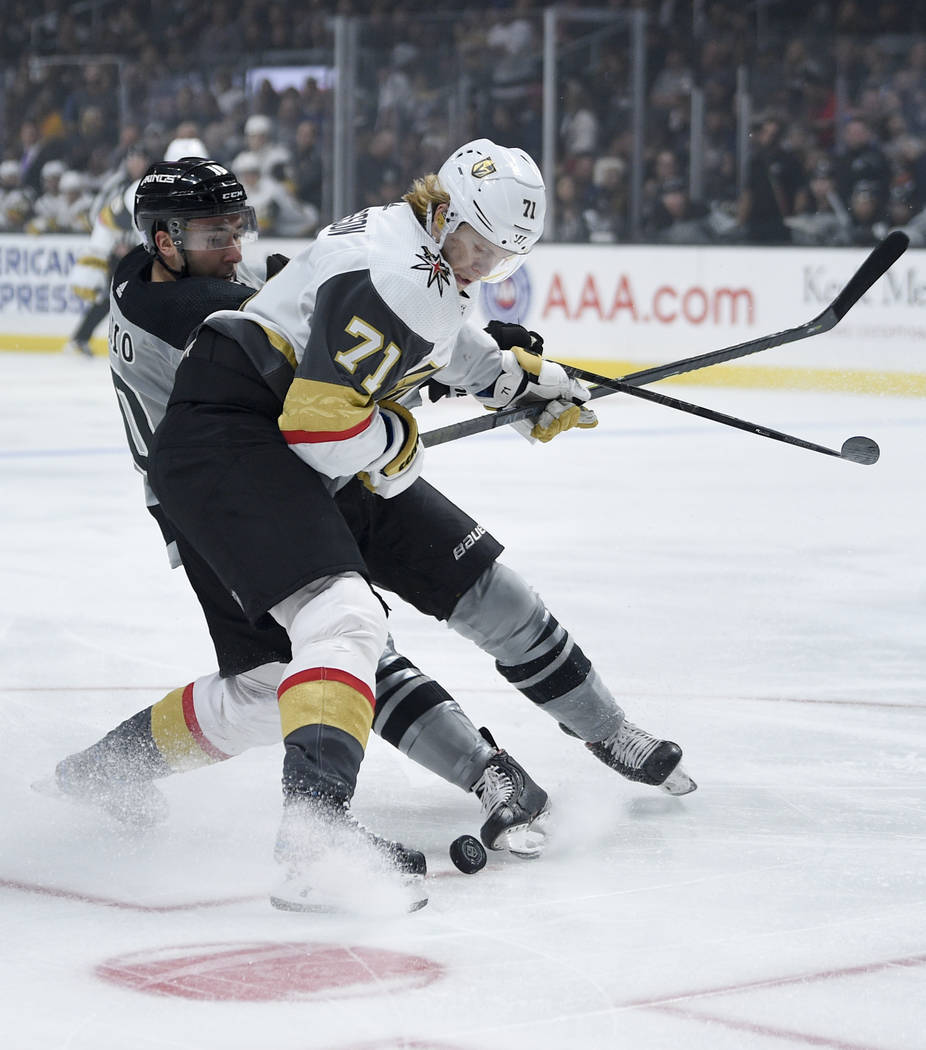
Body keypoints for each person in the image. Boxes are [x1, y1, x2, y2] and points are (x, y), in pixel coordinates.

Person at [139, 140, 695, 911]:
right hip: (245, 437)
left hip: (310, 443)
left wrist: (513, 384)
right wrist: (399, 446)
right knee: (342, 625)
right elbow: (321, 426)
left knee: (487, 590)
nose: (483, 269)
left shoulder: (419, 244)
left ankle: (610, 730)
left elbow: (435, 338)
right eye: (480, 249)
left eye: (504, 261)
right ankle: (313, 841)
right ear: (448, 214)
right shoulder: (396, 271)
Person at [49, 156, 555, 911]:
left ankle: (100, 772)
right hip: (218, 495)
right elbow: (326, 365)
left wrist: (476, 362)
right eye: (211, 233)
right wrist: (451, 364)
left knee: (267, 686)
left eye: (236, 228)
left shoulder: (142, 276)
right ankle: (323, 828)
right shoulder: (182, 311)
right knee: (339, 630)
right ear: (162, 241)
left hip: (226, 484)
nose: (231, 246)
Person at [64, 144, 152, 357]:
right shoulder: (117, 184)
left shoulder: (151, 182)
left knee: (139, 298)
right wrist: (114, 243)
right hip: (119, 253)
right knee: (110, 298)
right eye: (132, 159)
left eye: (140, 159)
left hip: (145, 251)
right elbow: (98, 214)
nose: (136, 163)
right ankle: (80, 338)